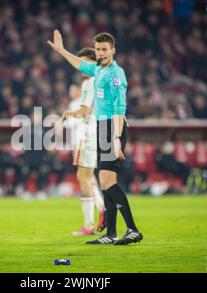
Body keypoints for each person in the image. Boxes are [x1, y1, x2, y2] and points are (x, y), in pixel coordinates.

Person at [48, 30, 142, 245]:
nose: (100, 53)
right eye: (98, 49)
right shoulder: (99, 69)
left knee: (108, 182)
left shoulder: (116, 75)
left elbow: (120, 108)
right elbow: (80, 64)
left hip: (112, 128)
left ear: (113, 50)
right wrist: (61, 51)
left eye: (104, 49)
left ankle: (133, 230)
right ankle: (110, 234)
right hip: (102, 128)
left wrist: (117, 139)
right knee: (103, 181)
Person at [61, 47, 106, 236]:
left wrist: (68, 114)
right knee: (87, 177)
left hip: (87, 135)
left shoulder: (89, 83)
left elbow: (84, 111)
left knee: (84, 178)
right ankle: (101, 208)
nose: (80, 67)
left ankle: (89, 224)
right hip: (95, 132)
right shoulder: (100, 80)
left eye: (83, 63)